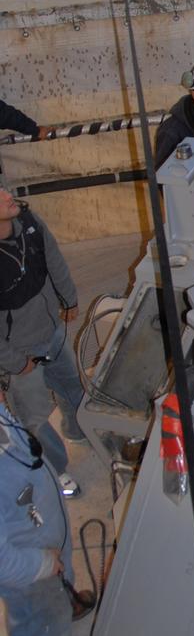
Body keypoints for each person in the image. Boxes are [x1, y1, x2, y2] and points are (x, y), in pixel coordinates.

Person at [0, 396, 102, 636]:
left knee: (60, 572)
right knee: (38, 623)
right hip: (28, 568)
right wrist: (44, 564)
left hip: (41, 528)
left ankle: (65, 597)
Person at [0, 186, 85, 498]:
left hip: (52, 330)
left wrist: (69, 296)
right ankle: (54, 470)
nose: (8, 194)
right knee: (34, 419)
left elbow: (54, 259)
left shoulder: (29, 222)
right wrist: (15, 363)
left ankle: (78, 430)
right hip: (19, 351)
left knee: (72, 387)